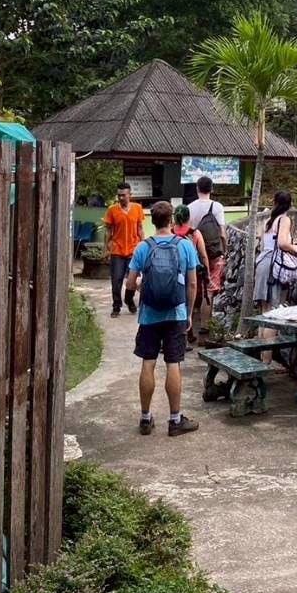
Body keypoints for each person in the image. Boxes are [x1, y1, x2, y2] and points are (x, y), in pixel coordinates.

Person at [123, 200, 200, 437]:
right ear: (171, 220)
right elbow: (192, 284)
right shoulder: (185, 245)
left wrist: (143, 287)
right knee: (173, 363)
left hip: (149, 315)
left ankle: (145, 419)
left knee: (148, 362)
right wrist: (188, 313)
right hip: (176, 314)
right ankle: (175, 420)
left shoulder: (142, 247)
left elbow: (130, 283)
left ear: (152, 221)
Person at [252, 190, 297, 362]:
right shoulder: (284, 220)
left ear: (274, 202)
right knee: (273, 313)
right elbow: (282, 243)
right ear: (289, 204)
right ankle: (266, 360)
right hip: (274, 268)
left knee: (264, 311)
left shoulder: (267, 221)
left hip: (262, 263)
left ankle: (261, 357)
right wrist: (295, 248)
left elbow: (262, 245)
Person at [187, 177, 227, 336]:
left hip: (195, 255)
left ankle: (188, 328)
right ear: (212, 189)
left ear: (197, 188)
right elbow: (222, 234)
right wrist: (225, 251)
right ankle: (204, 328)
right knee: (208, 291)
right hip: (214, 255)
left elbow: (189, 234)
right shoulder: (217, 207)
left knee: (192, 288)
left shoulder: (190, 207)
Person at [104, 182, 145, 317]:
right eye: (119, 195)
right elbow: (108, 230)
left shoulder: (137, 208)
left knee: (132, 280)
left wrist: (144, 245)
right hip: (117, 250)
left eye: (123, 195)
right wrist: (106, 248)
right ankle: (116, 306)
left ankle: (129, 299)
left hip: (133, 250)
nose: (121, 198)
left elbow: (140, 228)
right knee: (116, 280)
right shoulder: (112, 210)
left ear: (130, 195)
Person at [171, 205, 210, 343]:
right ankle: (188, 331)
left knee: (175, 304)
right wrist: (207, 273)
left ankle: (174, 334)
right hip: (191, 273)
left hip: (173, 273)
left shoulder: (170, 233)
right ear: (188, 217)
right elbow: (203, 256)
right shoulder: (194, 233)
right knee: (190, 304)